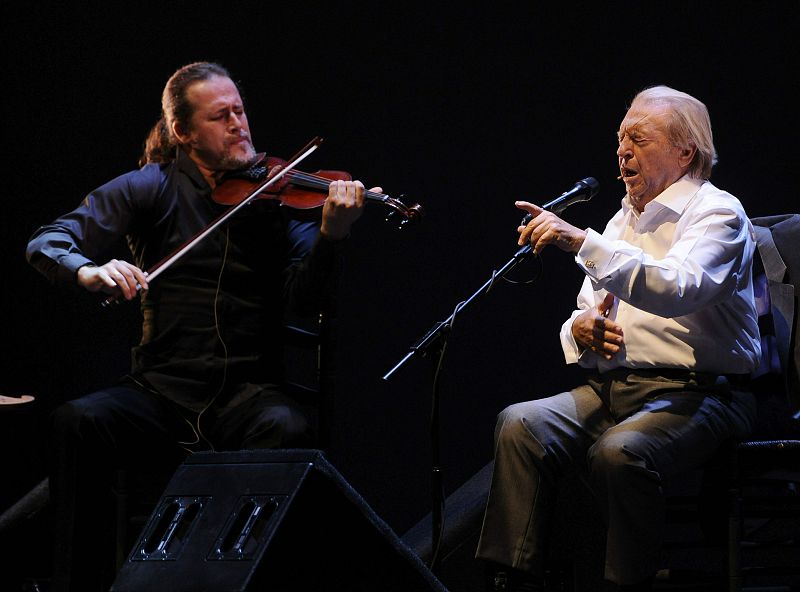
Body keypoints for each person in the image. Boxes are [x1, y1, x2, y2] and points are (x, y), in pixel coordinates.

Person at [26, 61, 376, 592]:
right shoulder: (149, 187)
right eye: (220, 116)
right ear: (183, 133)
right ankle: (85, 582)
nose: (239, 124)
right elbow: (50, 240)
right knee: (77, 421)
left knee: (287, 429)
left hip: (247, 395)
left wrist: (332, 236)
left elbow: (302, 298)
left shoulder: (279, 198)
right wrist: (89, 269)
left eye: (240, 111)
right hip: (158, 393)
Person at [475, 86, 761, 592]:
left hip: (702, 392)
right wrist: (579, 331)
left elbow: (678, 286)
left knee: (618, 451)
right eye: (619, 139)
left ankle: (627, 582)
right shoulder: (621, 222)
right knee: (520, 423)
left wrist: (581, 241)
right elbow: (582, 314)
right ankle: (510, 578)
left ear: (684, 151)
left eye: (638, 139)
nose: (621, 151)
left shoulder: (717, 213)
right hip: (614, 389)